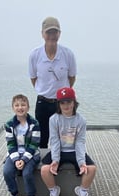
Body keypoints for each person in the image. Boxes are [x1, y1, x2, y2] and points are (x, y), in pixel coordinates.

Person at [41, 87, 97, 196]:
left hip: (74, 150)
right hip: (59, 150)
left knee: (91, 169)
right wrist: (55, 160)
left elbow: (80, 142)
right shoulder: (53, 119)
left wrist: (81, 162)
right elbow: (54, 141)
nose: (66, 106)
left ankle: (82, 191)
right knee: (45, 170)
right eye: (62, 102)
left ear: (74, 102)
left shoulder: (81, 120)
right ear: (59, 104)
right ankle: (54, 192)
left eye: (69, 102)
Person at [29, 16, 77, 148]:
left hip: (62, 103)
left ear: (59, 34)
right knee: (42, 137)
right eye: (48, 32)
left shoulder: (68, 54)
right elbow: (33, 78)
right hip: (43, 102)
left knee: (66, 137)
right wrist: (44, 91)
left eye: (54, 32)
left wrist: (62, 95)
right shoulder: (35, 55)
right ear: (42, 34)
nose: (51, 36)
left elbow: (72, 77)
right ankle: (43, 165)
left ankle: (66, 162)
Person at [3, 94, 40, 196]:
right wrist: (16, 160)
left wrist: (23, 160)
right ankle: (15, 195)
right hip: (14, 154)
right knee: (7, 171)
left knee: (27, 173)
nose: (20, 108)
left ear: (28, 107)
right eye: (17, 105)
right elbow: (10, 144)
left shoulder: (34, 123)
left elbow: (34, 145)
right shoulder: (9, 124)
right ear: (13, 108)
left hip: (31, 154)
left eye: (23, 105)